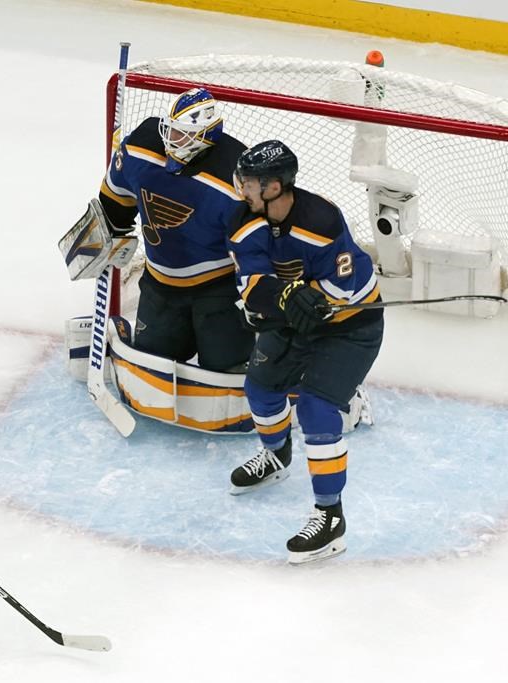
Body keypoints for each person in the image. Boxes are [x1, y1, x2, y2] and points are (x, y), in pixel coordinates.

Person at [226, 140, 384, 564]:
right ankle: (277, 456)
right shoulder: (243, 222)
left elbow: (342, 289)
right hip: (293, 322)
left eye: (250, 182)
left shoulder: (322, 219)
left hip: (352, 325)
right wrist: (286, 299)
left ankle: (331, 519)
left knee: (315, 409)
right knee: (260, 388)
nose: (241, 186)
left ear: (274, 187)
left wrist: (311, 300)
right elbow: (253, 287)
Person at [96, 87, 254, 372]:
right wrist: (107, 231)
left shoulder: (237, 178)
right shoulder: (141, 147)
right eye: (170, 130)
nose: (170, 140)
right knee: (151, 365)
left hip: (218, 290)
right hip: (160, 286)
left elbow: (254, 248)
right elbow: (113, 201)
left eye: (181, 134)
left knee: (226, 370)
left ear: (206, 137)